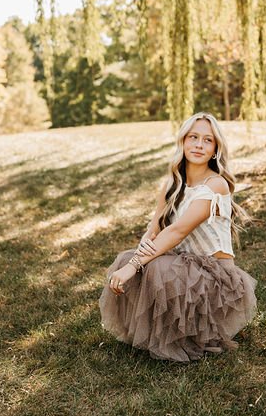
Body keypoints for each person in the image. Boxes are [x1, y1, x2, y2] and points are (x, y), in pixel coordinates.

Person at [100, 112, 257, 362]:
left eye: (207, 140)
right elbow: (154, 230)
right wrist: (137, 257)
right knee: (130, 260)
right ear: (183, 141)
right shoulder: (172, 185)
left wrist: (134, 266)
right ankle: (158, 333)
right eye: (193, 137)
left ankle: (192, 335)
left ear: (215, 149)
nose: (199, 145)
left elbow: (177, 231)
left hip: (213, 277)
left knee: (152, 267)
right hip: (183, 264)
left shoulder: (216, 185)